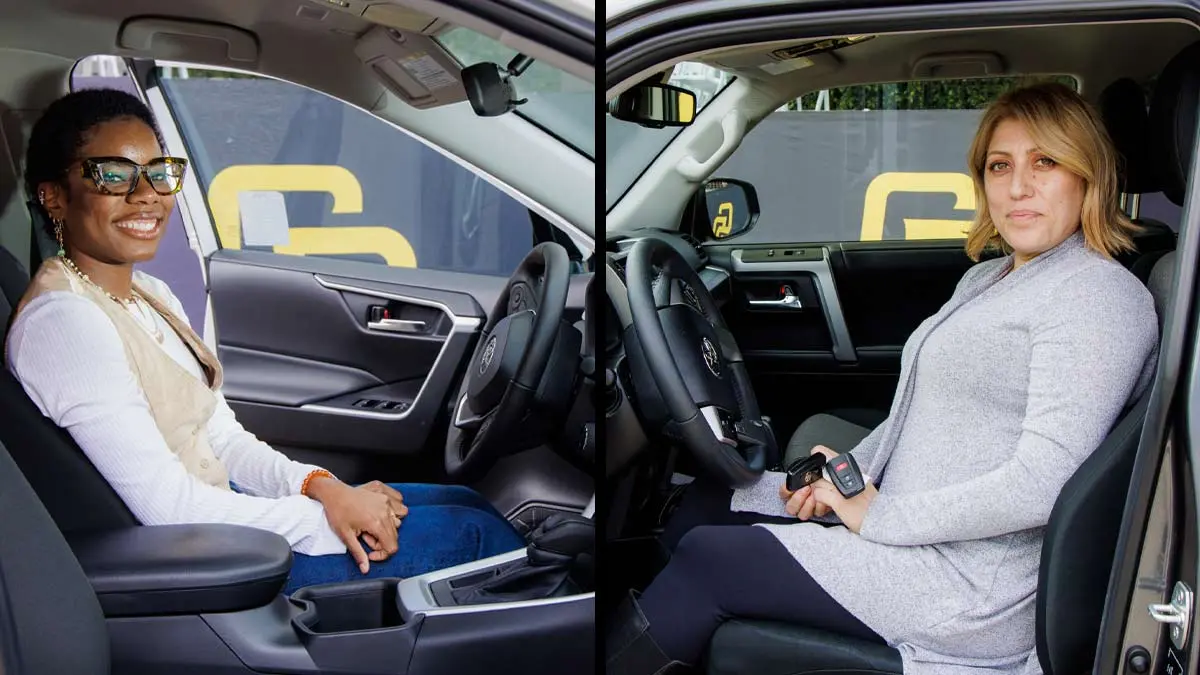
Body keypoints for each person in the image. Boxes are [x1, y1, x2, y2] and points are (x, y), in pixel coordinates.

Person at [606, 82, 1160, 675]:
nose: (1018, 186)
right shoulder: (991, 277)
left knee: (709, 561)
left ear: (1088, 176)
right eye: (1001, 166)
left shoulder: (1097, 297)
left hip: (970, 584)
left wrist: (878, 516)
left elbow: (1043, 482)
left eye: (1045, 162)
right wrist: (847, 481)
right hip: (916, 528)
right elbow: (914, 417)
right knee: (715, 494)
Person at [5, 88, 525, 595]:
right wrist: (325, 521)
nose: (147, 195)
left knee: (465, 501)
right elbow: (168, 508)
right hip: (206, 559)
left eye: (160, 173)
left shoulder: (149, 292)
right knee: (476, 537)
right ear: (53, 195)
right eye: (113, 174)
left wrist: (324, 487)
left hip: (226, 515)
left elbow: (223, 438)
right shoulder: (65, 323)